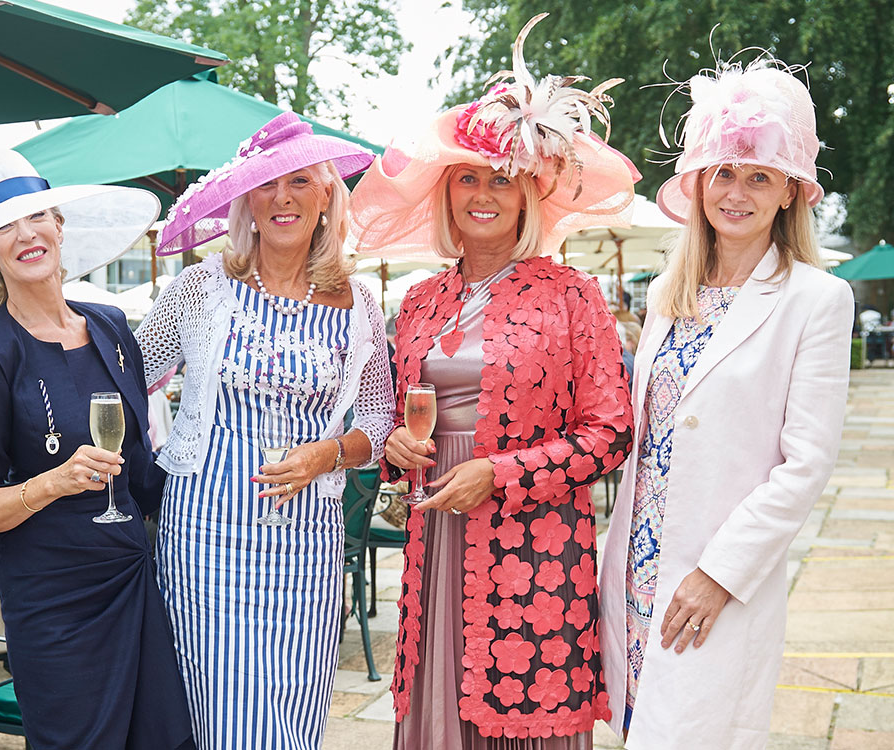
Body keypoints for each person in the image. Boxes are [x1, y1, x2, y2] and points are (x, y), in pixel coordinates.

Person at [349, 15, 638, 748]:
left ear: (527, 195)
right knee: (437, 701)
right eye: (467, 178)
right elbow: (389, 416)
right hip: (433, 528)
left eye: (500, 179)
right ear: (446, 194)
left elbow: (612, 433)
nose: (483, 193)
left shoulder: (571, 294)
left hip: (532, 541)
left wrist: (499, 473)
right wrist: (395, 450)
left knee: (520, 704)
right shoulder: (418, 299)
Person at [597, 55, 854, 749]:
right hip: (634, 567)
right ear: (699, 181)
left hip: (716, 578)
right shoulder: (664, 296)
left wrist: (719, 575)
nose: (736, 192)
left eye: (758, 176)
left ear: (788, 193)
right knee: (637, 729)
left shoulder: (817, 301)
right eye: (723, 172)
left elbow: (804, 466)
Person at [0, 149, 195, 749]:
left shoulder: (112, 325)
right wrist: (53, 482)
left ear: (60, 224)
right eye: (2, 226)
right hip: (54, 600)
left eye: (35, 216)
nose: (25, 234)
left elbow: (140, 469)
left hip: (133, 576)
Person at [136, 111, 395, 750]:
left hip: (308, 543)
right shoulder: (201, 287)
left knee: (295, 713)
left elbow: (378, 420)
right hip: (205, 532)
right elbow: (124, 375)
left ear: (328, 194)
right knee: (228, 716)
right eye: (268, 183)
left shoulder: (359, 303)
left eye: (301, 181)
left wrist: (323, 456)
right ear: (245, 201)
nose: (283, 197)